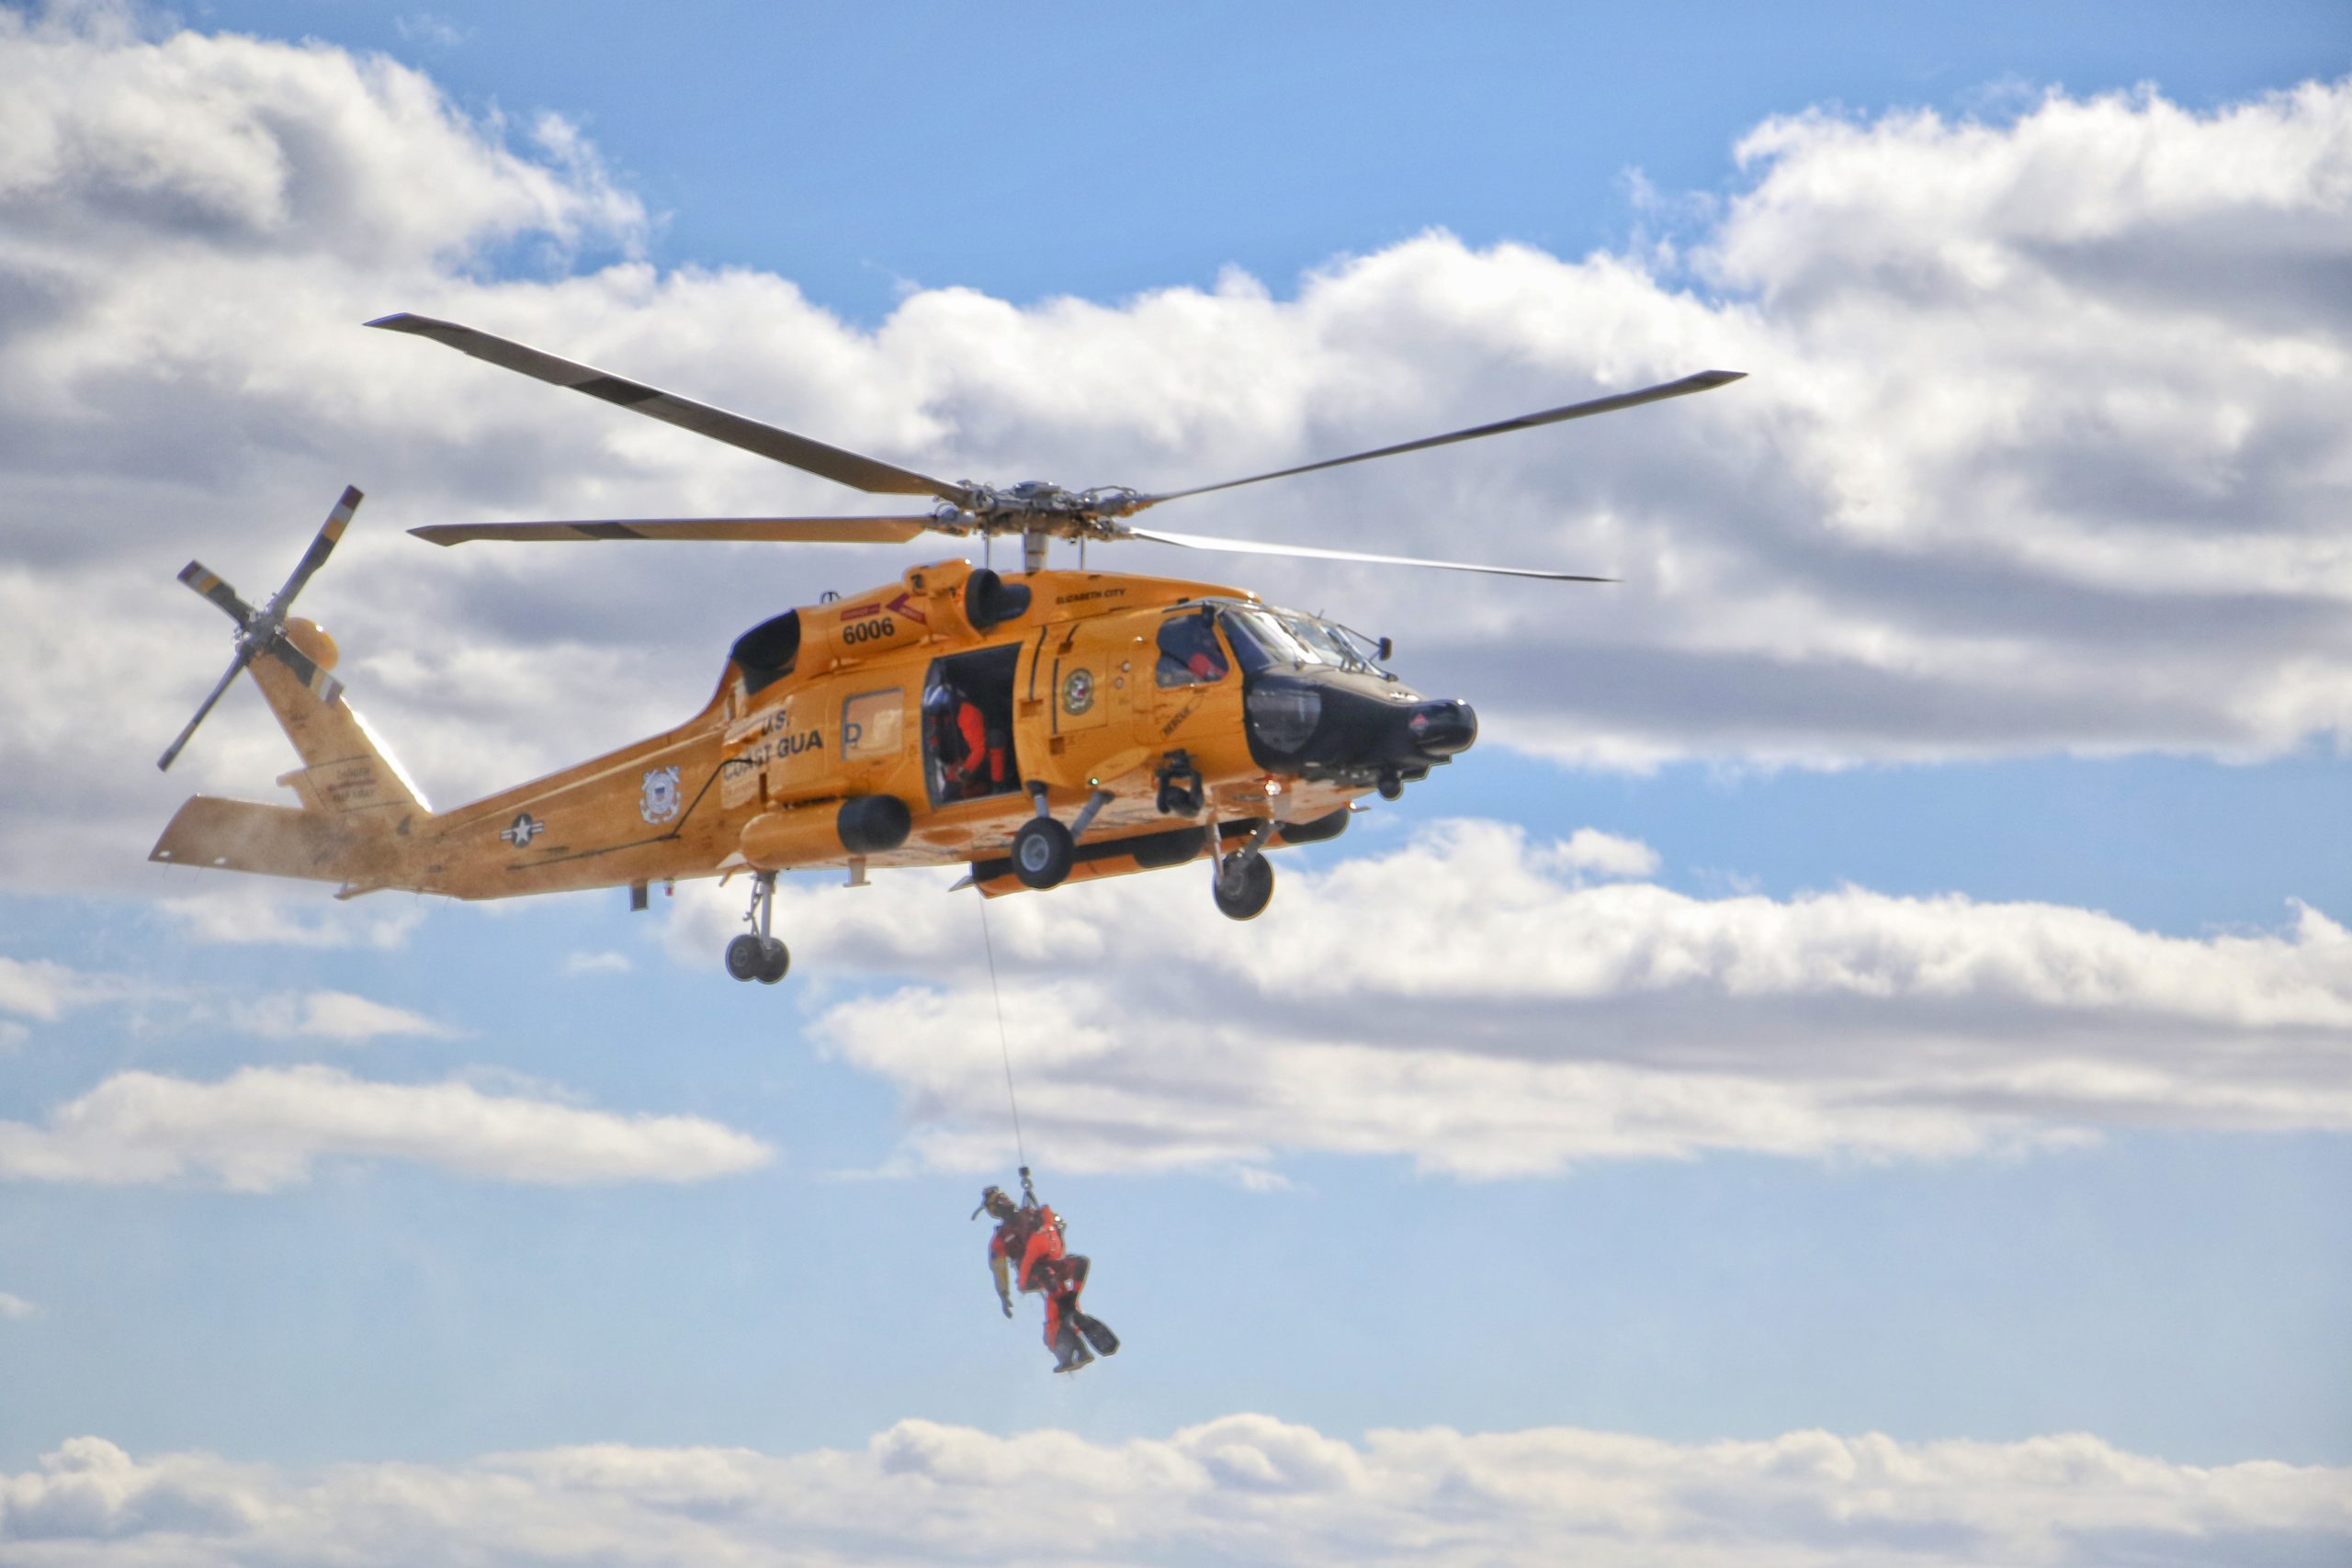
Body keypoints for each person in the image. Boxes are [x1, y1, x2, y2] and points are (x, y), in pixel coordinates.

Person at [977, 1182, 1119, 1373]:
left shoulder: (1031, 1214)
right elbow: (998, 1267)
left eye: (1003, 1197)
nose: (1005, 1201)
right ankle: (1070, 1325)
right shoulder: (1001, 1238)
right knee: (1049, 1279)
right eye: (998, 1202)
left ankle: (1071, 1305)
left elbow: (1059, 1224)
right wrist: (1003, 1294)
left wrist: (1051, 1225)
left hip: (1052, 1264)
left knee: (1080, 1263)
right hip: (1031, 1275)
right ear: (994, 1210)